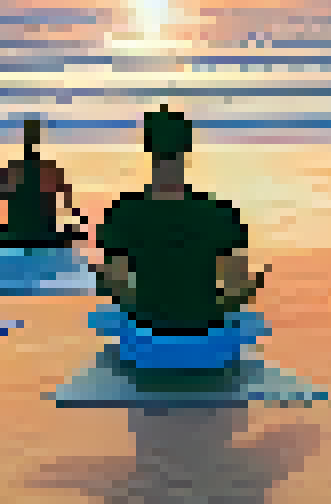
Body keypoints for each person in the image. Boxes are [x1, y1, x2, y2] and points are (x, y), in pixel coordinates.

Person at [90, 105, 268, 368]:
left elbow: (118, 288)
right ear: (186, 149)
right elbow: (235, 292)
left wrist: (110, 282)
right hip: (207, 343)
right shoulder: (222, 213)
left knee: (107, 319)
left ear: (149, 150)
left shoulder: (121, 213)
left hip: (147, 343)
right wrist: (254, 284)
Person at [0, 117, 89, 249]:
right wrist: (78, 223)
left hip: (26, 233)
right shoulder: (46, 169)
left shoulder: (16, 170)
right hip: (40, 233)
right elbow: (68, 201)